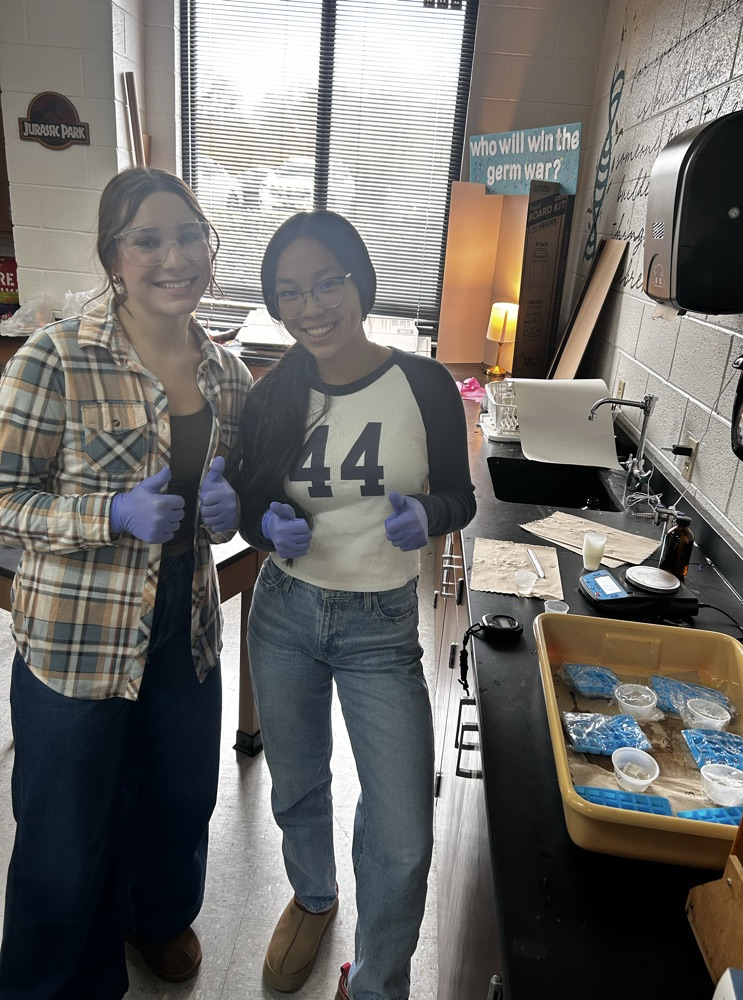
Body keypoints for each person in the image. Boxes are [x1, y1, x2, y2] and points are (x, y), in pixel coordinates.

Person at [0, 166, 252, 1000]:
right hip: (79, 635)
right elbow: (5, 499)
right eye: (148, 239)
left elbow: (234, 504)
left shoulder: (225, 374)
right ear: (114, 256)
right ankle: (56, 981)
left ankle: (157, 918)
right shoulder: (55, 359)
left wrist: (227, 510)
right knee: (65, 835)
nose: (173, 256)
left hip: (185, 624)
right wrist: (110, 515)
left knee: (181, 795)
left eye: (189, 235)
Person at [239, 210, 476, 1000]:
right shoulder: (274, 395)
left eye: (327, 282)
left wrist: (431, 516)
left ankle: (374, 981)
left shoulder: (425, 384)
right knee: (298, 780)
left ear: (360, 279)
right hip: (285, 615)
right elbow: (246, 503)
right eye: (290, 293)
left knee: (404, 833)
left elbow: (461, 496)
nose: (311, 307)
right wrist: (264, 525)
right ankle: (313, 898)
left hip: (380, 627)